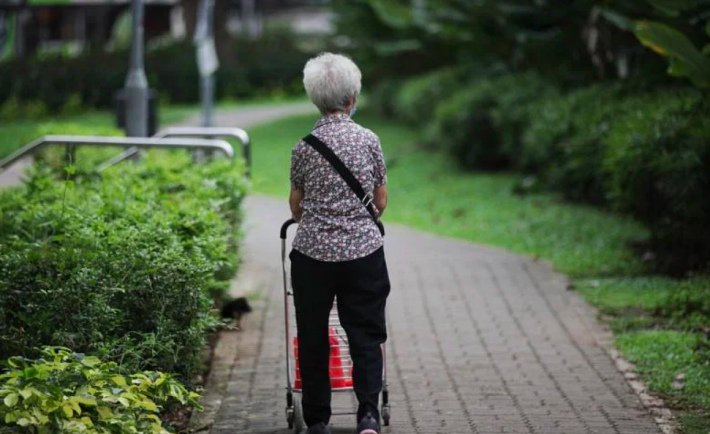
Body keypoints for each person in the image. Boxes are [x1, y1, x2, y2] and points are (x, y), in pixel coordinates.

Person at [289, 52, 391, 434]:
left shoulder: (303, 147)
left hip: (312, 257)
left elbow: (296, 206)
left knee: (314, 335)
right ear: (352, 98)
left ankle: (318, 420)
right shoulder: (369, 140)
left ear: (315, 98)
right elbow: (379, 201)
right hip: (363, 255)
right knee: (365, 333)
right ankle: (367, 415)